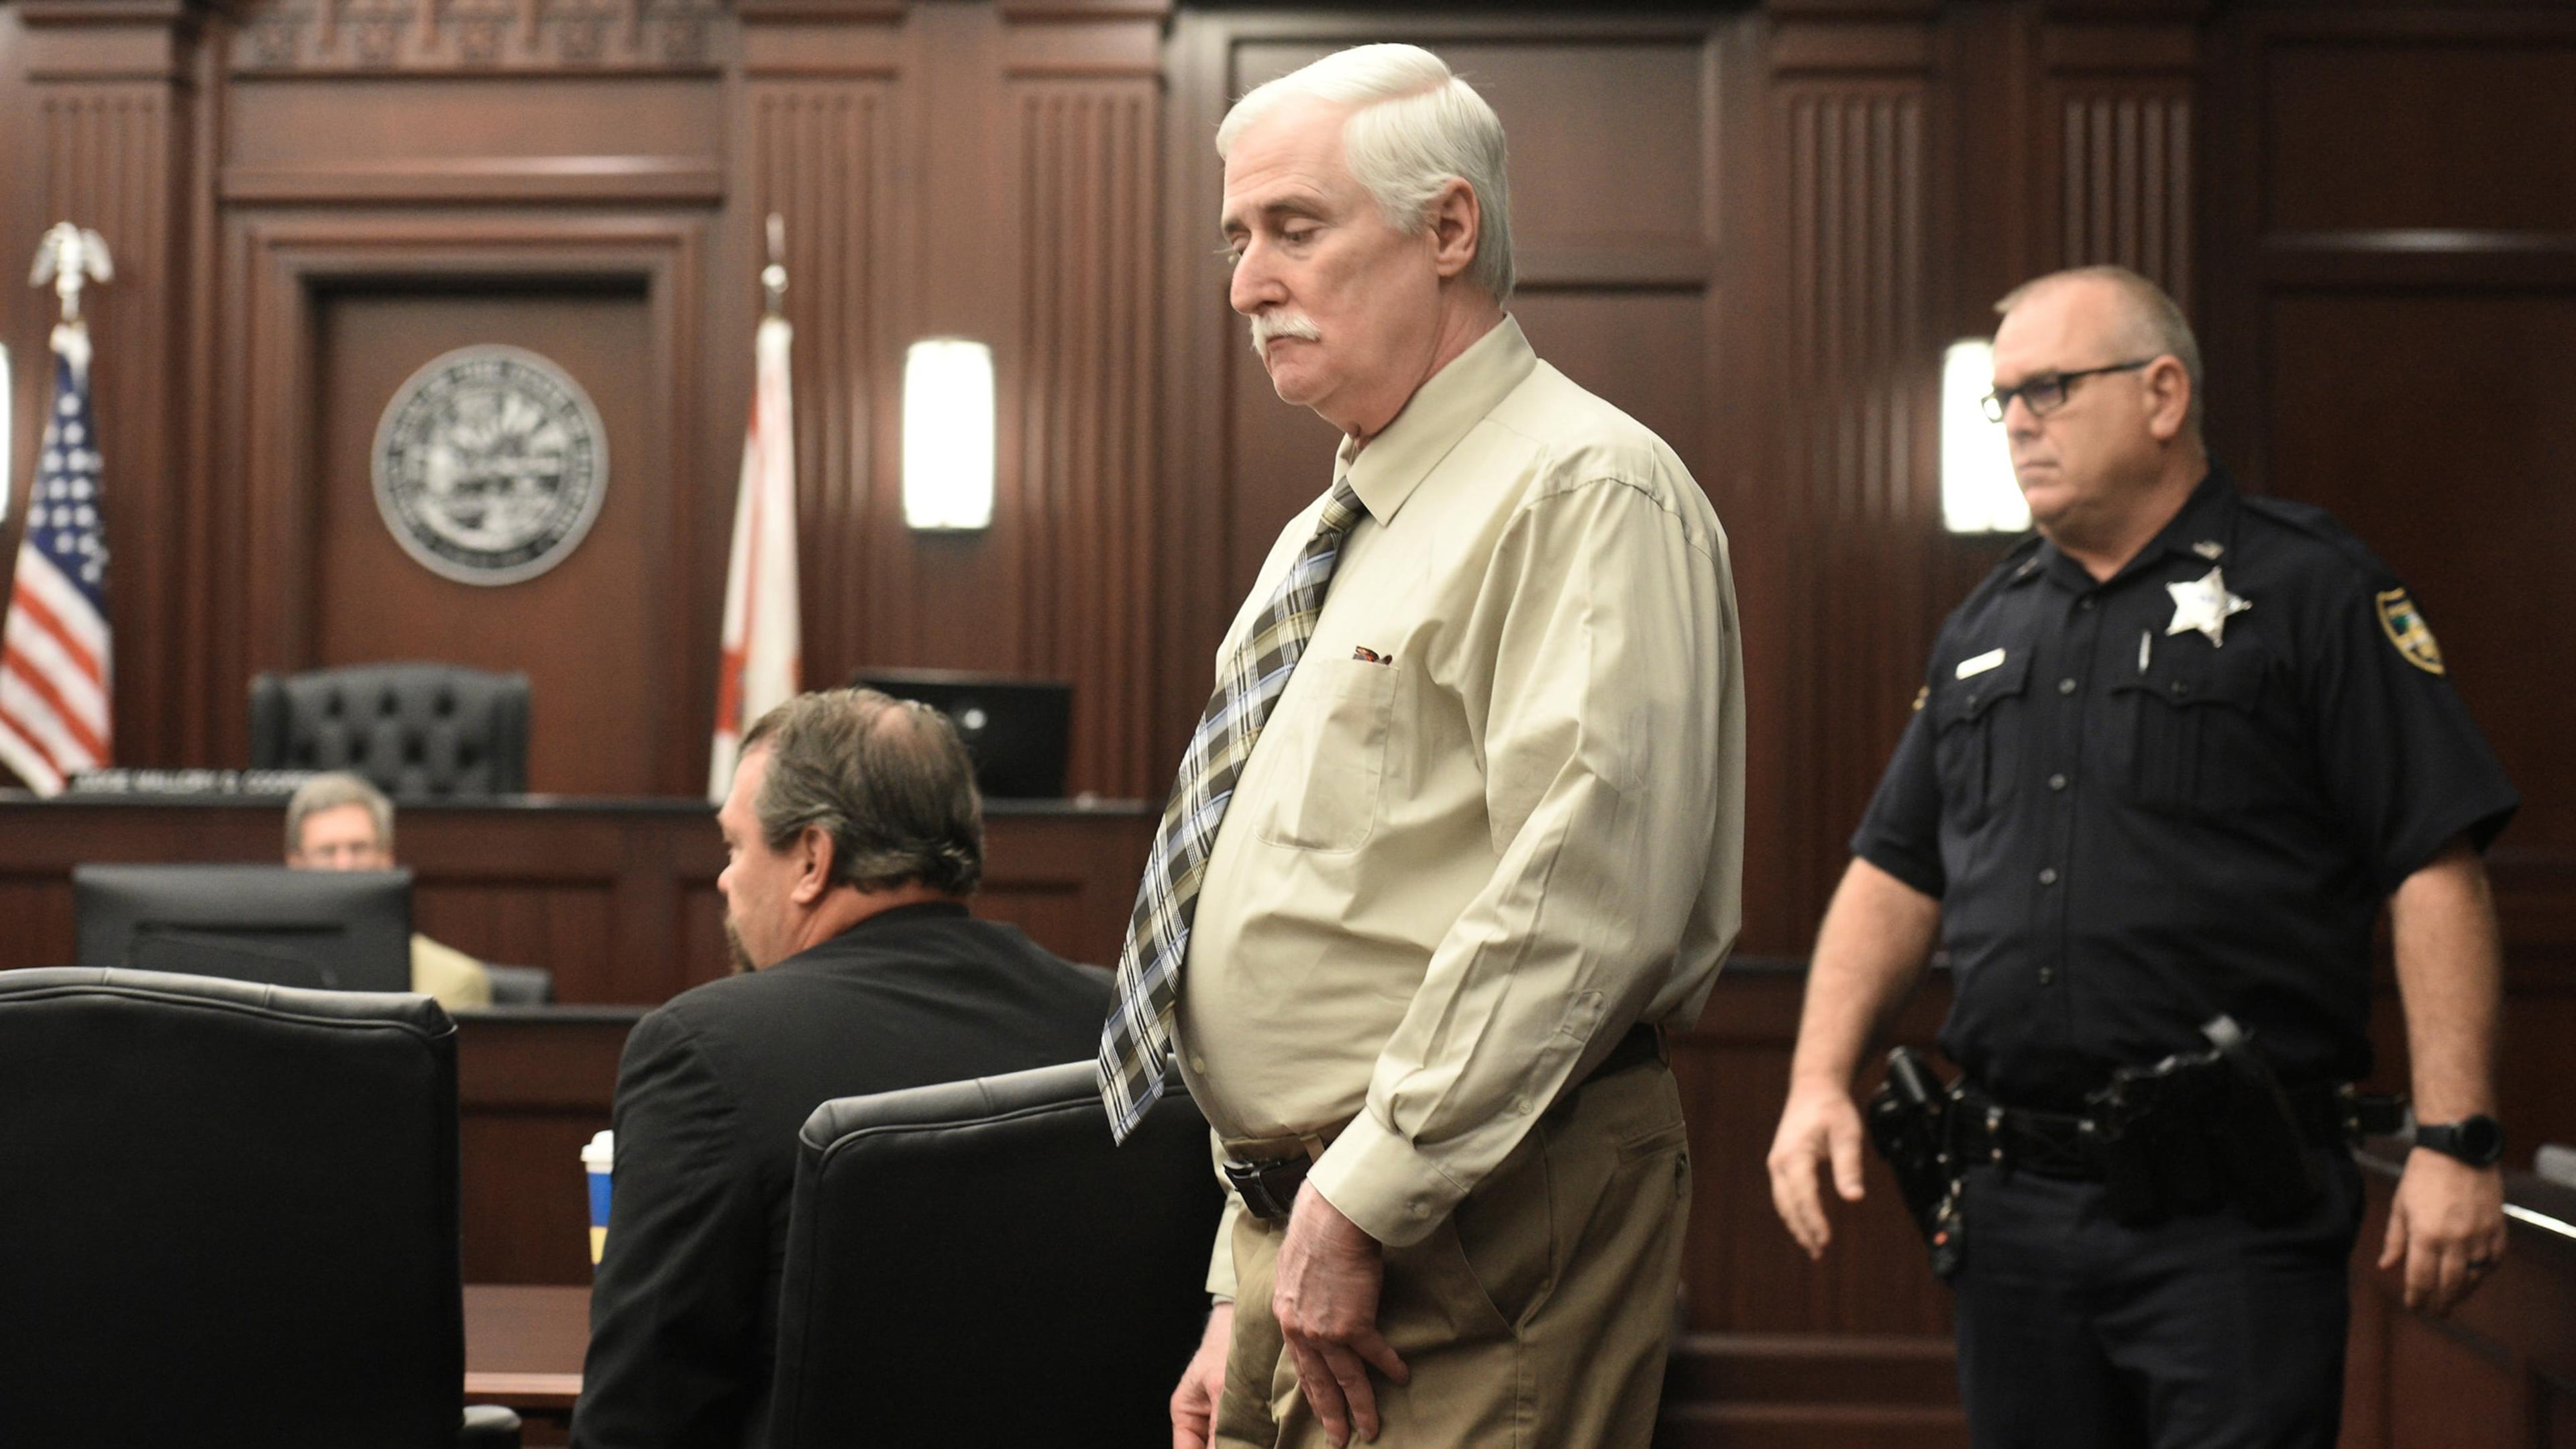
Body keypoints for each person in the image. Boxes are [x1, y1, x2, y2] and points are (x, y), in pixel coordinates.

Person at [1100, 44, 1745, 1449]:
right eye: (1236, 238)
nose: (1246, 285)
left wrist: (1358, 1197)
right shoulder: (1332, 530)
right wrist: (1240, 1275)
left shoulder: (1585, 487)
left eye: (1294, 228)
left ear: (1449, 228)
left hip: (1467, 1223)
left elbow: (1586, 902)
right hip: (1310, 1226)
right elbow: (1301, 925)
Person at [1764, 265, 2518, 1448]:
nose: (2017, 422)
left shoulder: (2311, 587)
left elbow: (2433, 862)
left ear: (2163, 395)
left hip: (2231, 1213)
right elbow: (1895, 869)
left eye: (2050, 389)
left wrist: (2456, 1138)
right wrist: (1817, 1081)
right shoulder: (1987, 625)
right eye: (2003, 398)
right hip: (2014, 1205)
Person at [572, 688, 1111, 1449]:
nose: (724, 879)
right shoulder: (1113, 1020)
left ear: (811, 860)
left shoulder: (705, 1050)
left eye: (734, 848)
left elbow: (642, 1412)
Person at [284, 771, 492, 1011]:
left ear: (386, 857)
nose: (344, 865)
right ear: (295, 863)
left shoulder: (453, 982)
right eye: (327, 852)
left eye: (359, 848)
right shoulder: (268, 975)